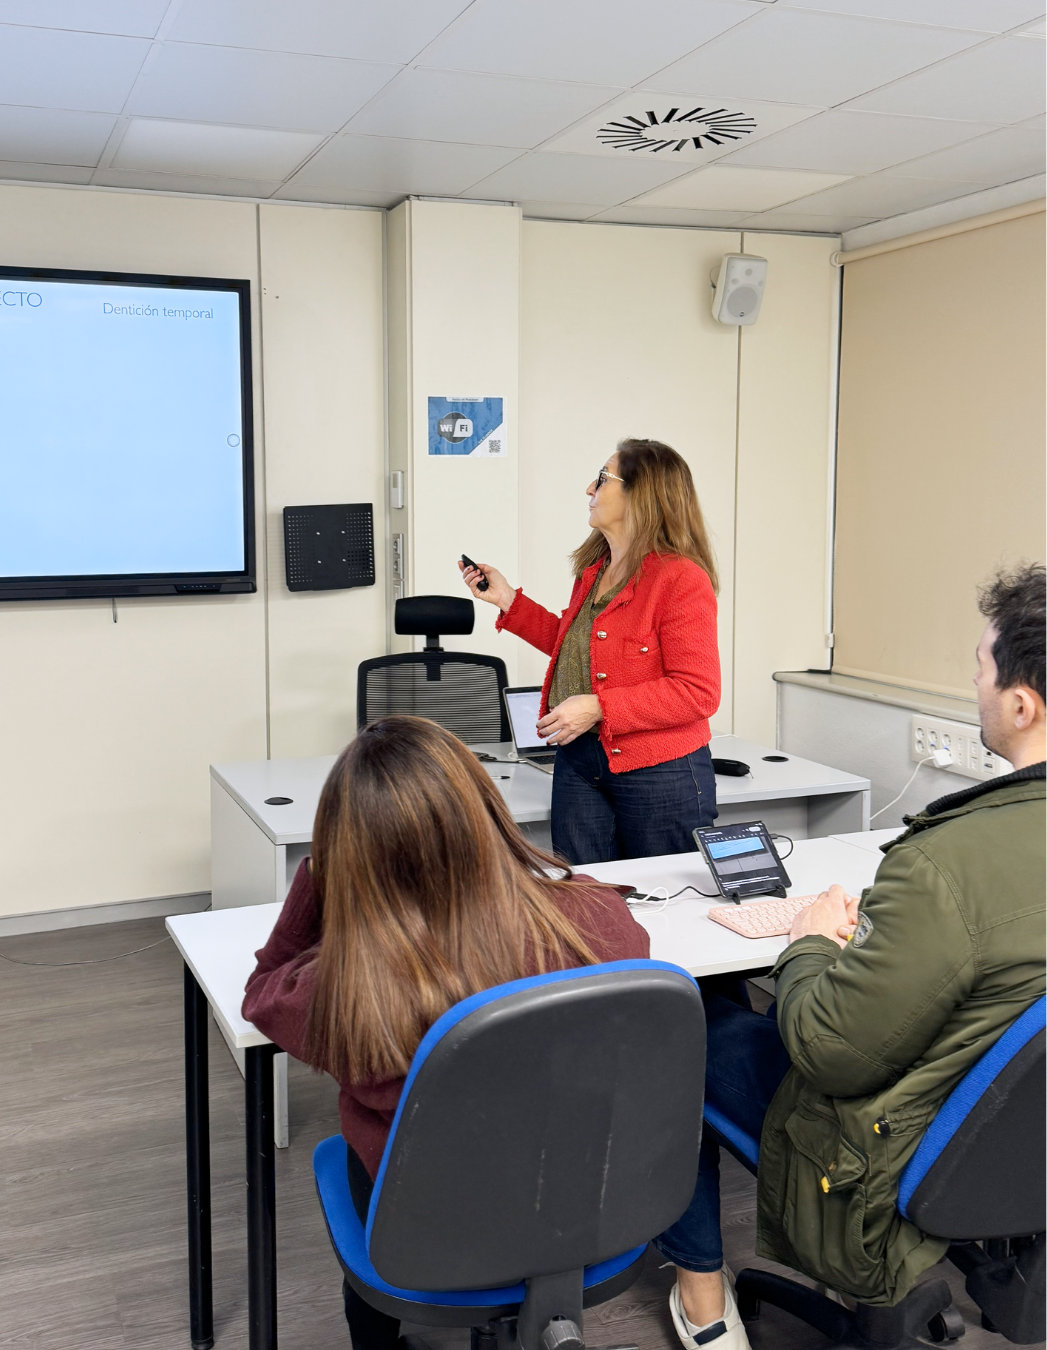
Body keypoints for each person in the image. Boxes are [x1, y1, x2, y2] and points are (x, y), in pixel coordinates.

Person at [656, 562, 1046, 1350]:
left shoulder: (945, 864)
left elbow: (829, 1052)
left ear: (1020, 702)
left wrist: (805, 940)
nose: (972, 686)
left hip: (895, 1148)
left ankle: (701, 1295)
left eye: (978, 668)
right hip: (1013, 1137)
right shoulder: (957, 870)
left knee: (679, 1024)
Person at [241, 715, 650, 1350]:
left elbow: (261, 989)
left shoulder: (342, 988)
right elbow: (614, 925)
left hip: (429, 1224)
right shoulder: (597, 920)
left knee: (354, 1149)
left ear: (351, 854)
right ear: (484, 809)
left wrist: (318, 877)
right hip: (584, 1205)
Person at [459, 438, 721, 865]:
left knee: (669, 902)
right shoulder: (594, 571)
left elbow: (698, 692)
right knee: (587, 900)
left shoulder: (680, 578)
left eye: (602, 479)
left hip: (660, 773)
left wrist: (600, 707)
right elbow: (573, 646)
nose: (589, 490)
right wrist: (508, 600)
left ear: (642, 492)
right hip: (581, 762)